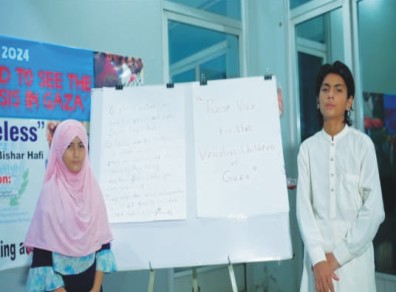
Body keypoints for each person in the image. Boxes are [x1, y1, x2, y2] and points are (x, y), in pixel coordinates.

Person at [296, 61, 385, 292]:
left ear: (350, 101)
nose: (330, 95)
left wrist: (335, 259)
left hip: (354, 264)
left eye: (338, 89)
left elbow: (373, 212)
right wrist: (319, 260)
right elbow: (305, 211)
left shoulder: (362, 146)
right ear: (317, 99)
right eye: (324, 89)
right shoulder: (307, 149)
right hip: (317, 266)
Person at [24, 119, 116, 292]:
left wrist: (95, 289)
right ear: (58, 150)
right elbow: (42, 260)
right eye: (69, 146)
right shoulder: (49, 194)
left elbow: (103, 247)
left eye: (81, 146)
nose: (76, 154)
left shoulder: (92, 190)